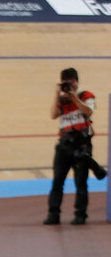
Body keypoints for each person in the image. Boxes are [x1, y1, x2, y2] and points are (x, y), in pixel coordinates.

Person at [44, 67, 107, 226]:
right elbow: (53, 115)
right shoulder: (61, 99)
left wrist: (74, 97)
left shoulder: (86, 95)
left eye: (70, 83)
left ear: (77, 82)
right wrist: (57, 95)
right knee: (58, 181)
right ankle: (53, 214)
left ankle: (80, 215)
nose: (68, 86)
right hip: (64, 145)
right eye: (65, 84)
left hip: (81, 145)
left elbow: (88, 111)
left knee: (81, 182)